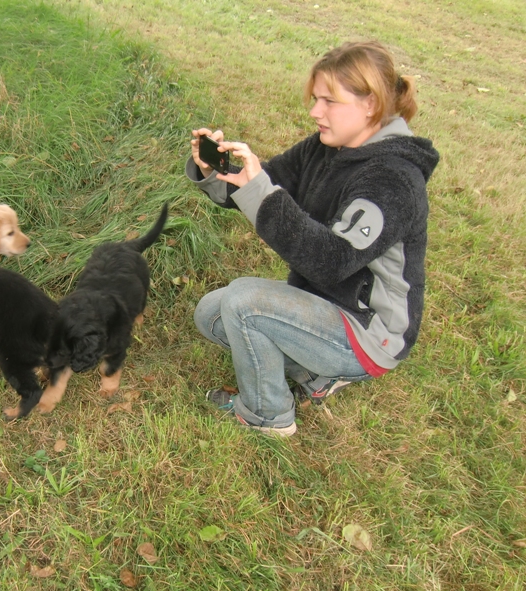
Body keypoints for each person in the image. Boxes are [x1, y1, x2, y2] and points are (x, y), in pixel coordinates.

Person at [187, 40, 440, 437]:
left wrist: (260, 191)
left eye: (329, 101)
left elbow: (331, 262)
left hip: (366, 333)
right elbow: (265, 183)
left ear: (371, 104)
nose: (315, 112)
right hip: (321, 305)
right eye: (316, 99)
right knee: (211, 314)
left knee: (244, 303)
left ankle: (268, 416)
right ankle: (314, 375)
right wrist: (215, 171)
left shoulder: (393, 179)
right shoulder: (326, 148)